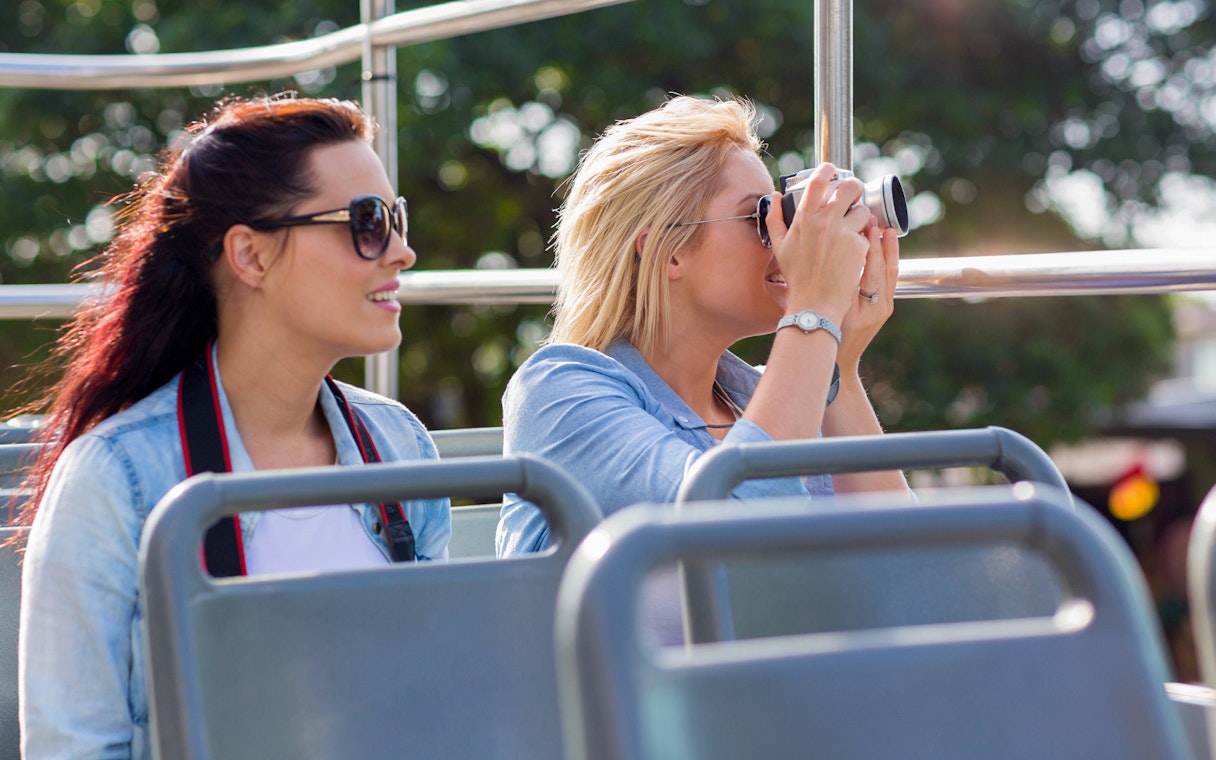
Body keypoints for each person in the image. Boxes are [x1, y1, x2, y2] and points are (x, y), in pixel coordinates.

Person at [16, 94, 450, 758]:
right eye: (366, 221)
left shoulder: (400, 446)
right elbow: (73, 746)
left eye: (396, 218)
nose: (401, 252)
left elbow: (441, 707)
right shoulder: (115, 477)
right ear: (250, 257)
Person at [496, 94, 909, 562]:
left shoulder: (763, 399)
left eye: (782, 214)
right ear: (668, 251)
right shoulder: (559, 393)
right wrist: (813, 313)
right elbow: (736, 532)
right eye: (760, 216)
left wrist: (839, 366)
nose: (787, 239)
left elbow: (906, 561)